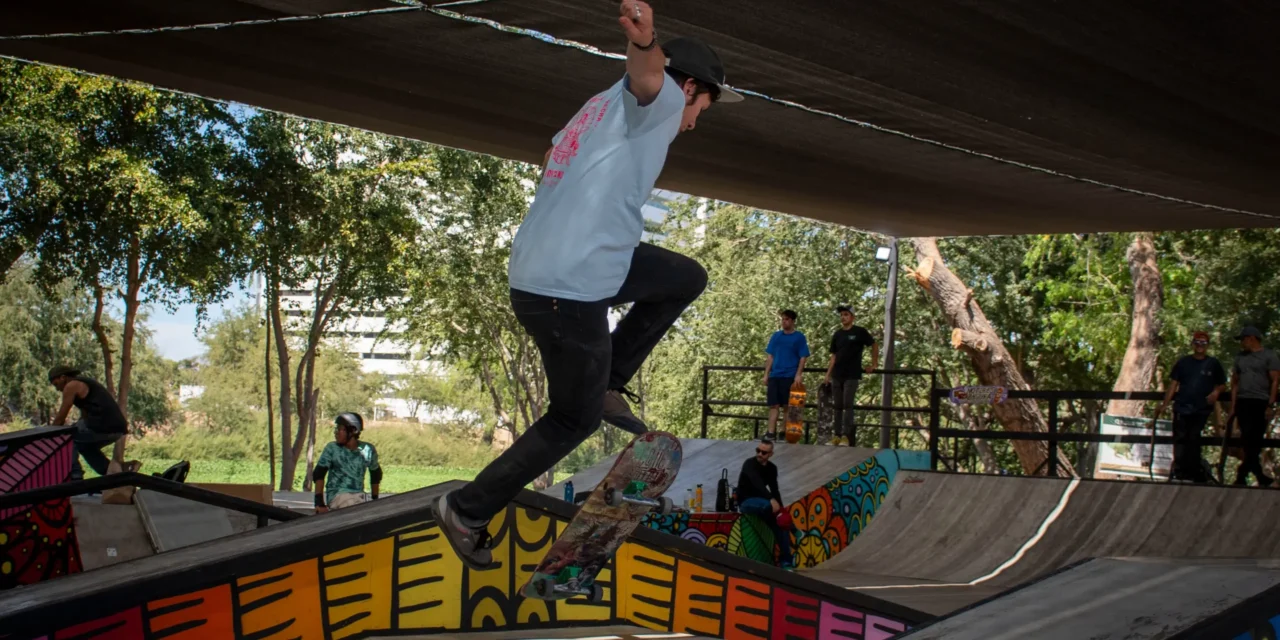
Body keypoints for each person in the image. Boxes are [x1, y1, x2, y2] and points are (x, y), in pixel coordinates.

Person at [432, 0, 740, 569]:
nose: (696, 121)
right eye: (704, 107)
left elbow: (553, 154)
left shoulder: (597, 106)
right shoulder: (662, 98)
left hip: (559, 267)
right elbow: (650, 78)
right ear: (690, 88)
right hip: (570, 288)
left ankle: (609, 379)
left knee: (683, 277)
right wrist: (647, 43)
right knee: (571, 420)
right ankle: (467, 509)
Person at [1153, 331, 1226, 483]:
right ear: (1193, 344)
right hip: (1182, 406)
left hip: (1201, 408)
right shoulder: (1183, 362)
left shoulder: (1213, 364)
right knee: (1180, 439)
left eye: (1203, 343)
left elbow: (1222, 384)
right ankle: (1179, 472)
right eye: (1197, 342)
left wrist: (1215, 392)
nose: (1200, 346)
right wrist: (1164, 404)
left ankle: (1193, 472)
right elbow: (1173, 384)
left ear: (1208, 346)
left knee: (1194, 438)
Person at [47, 366, 128, 482]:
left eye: (56, 384)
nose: (57, 389)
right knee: (85, 447)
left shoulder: (72, 385)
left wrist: (47, 434)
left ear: (63, 377)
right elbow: (84, 414)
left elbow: (61, 418)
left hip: (104, 426)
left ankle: (75, 477)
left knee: (68, 438)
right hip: (116, 428)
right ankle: (113, 477)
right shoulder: (85, 385)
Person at [1228, 326, 1280, 487]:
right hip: (1243, 401)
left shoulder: (1269, 356)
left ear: (1251, 338)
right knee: (1247, 439)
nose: (1242, 343)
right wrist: (1233, 406)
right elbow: (1235, 382)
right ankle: (1258, 477)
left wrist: (1270, 405)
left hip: (1260, 401)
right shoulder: (1240, 358)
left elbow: (1275, 381)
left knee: (1255, 439)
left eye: (1243, 339)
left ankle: (1242, 475)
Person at [822, 305, 879, 446]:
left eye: (846, 314)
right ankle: (836, 435)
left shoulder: (860, 332)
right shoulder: (837, 334)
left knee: (848, 405)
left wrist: (874, 364)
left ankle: (846, 437)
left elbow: (874, 344)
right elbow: (834, 356)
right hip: (837, 374)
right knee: (838, 406)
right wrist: (827, 374)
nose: (843, 317)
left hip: (852, 374)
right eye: (841, 315)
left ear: (852, 317)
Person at [737, 438, 793, 568]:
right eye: (758, 451)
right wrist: (771, 500)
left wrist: (781, 510)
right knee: (767, 505)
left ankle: (786, 560)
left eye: (764, 453)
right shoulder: (749, 464)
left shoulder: (772, 468)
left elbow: (775, 489)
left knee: (781, 524)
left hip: (764, 503)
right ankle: (784, 523)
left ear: (770, 454)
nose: (759, 454)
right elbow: (758, 483)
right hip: (747, 501)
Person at [314, 412, 382, 512]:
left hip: (358, 496)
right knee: (353, 506)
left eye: (340, 429)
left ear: (353, 431)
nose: (336, 432)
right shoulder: (332, 448)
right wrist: (319, 503)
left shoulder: (367, 449)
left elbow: (375, 474)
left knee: (361, 505)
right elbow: (319, 474)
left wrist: (375, 499)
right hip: (338, 496)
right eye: (336, 429)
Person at [763, 310, 810, 440]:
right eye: (783, 319)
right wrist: (766, 374)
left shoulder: (799, 337)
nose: (784, 322)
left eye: (787, 319)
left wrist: (798, 374)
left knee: (787, 406)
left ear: (793, 321)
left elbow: (803, 357)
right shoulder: (776, 336)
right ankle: (770, 432)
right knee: (773, 405)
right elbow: (770, 356)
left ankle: (783, 432)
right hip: (775, 375)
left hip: (789, 375)